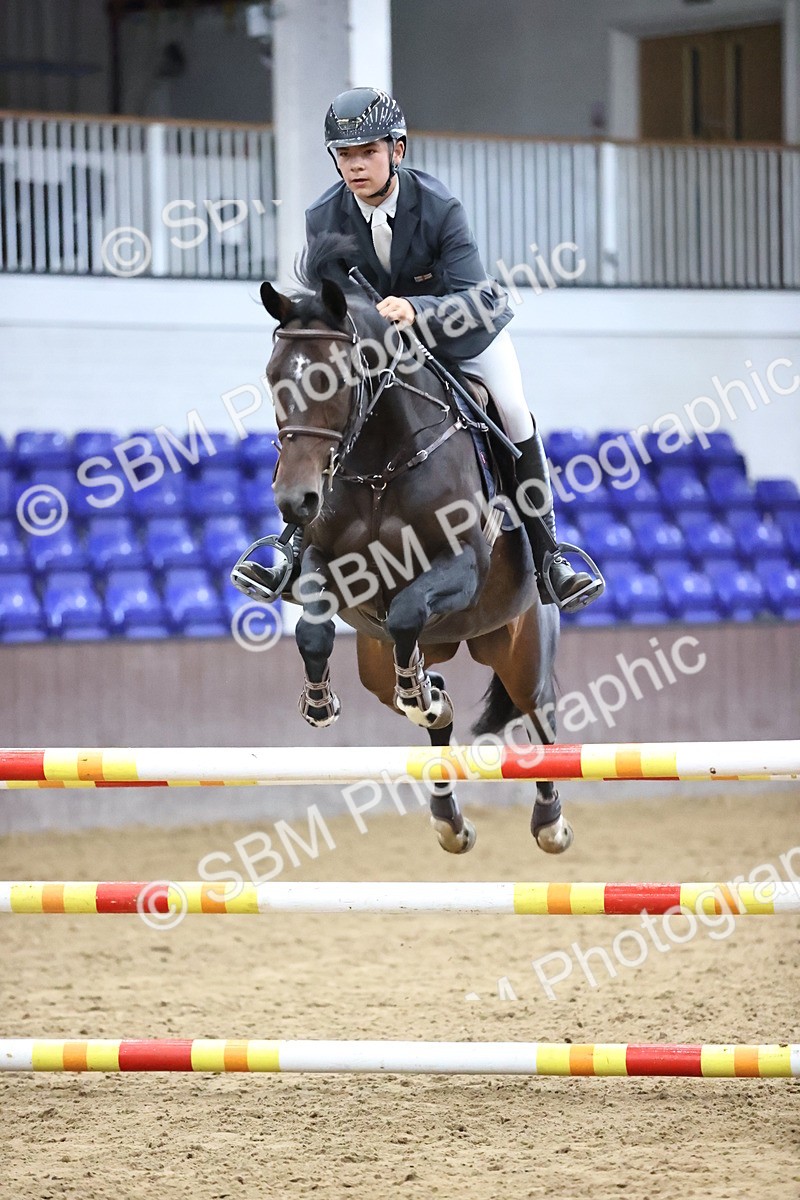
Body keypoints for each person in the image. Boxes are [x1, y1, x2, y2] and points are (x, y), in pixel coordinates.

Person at [234, 87, 603, 612]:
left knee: (515, 412)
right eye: (346, 155)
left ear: (397, 151)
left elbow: (478, 295)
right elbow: (330, 305)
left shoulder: (438, 206)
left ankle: (549, 556)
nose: (356, 166)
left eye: (368, 152)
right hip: (379, 348)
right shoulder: (324, 215)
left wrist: (417, 311)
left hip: (459, 335)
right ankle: (289, 549)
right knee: (320, 406)